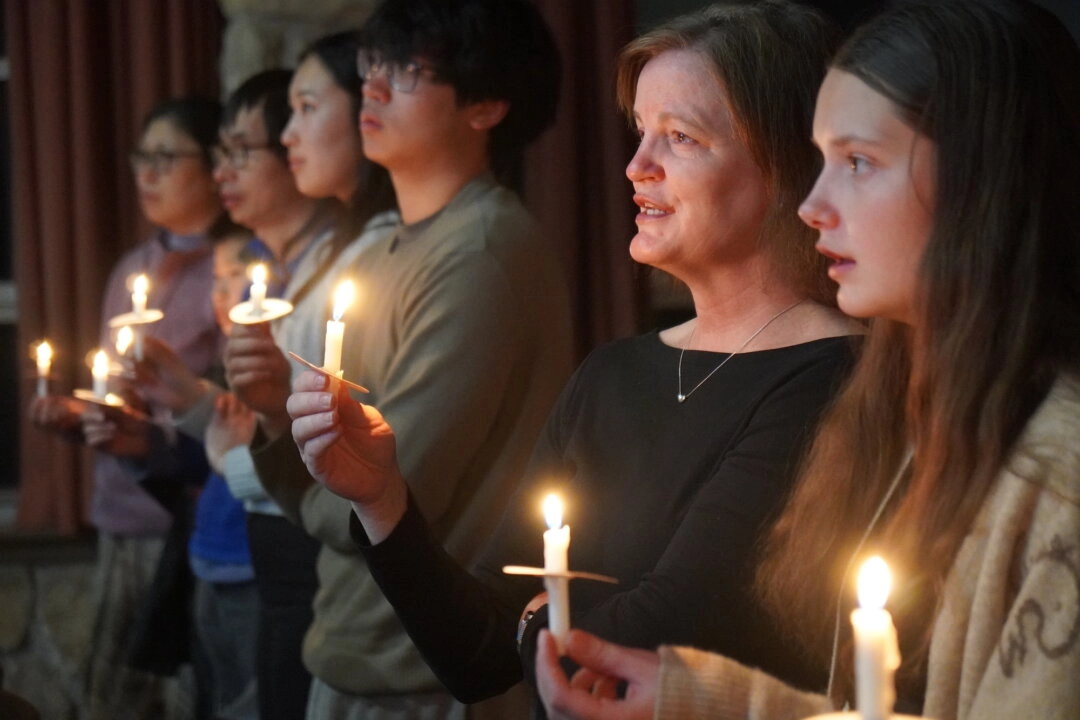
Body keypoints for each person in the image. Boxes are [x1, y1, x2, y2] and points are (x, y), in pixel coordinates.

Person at [287, 0, 862, 711]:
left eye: (679, 137)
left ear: (786, 161)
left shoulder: (836, 378)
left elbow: (646, 644)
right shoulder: (613, 372)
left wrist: (533, 622)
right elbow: (477, 655)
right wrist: (382, 501)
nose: (635, 166)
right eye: (640, 133)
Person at [532, 1, 1080, 719]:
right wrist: (712, 701)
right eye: (823, 161)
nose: (815, 204)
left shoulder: (1057, 478)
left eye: (858, 161)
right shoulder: (926, 415)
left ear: (983, 179)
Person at [251, 2, 574, 717]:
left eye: (408, 71)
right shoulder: (404, 241)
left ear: (486, 105)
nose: (374, 87)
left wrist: (289, 438)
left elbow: (384, 494)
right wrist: (276, 408)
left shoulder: (480, 254)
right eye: (373, 65)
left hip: (420, 667)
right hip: (360, 643)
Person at [28, 96, 230, 720]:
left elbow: (228, 405)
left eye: (167, 158)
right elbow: (114, 389)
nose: (147, 173)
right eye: (143, 157)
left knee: (189, 694)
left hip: (185, 517)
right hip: (121, 513)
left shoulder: (233, 272)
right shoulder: (130, 271)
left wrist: (154, 427)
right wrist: (81, 417)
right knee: (113, 698)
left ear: (216, 166)